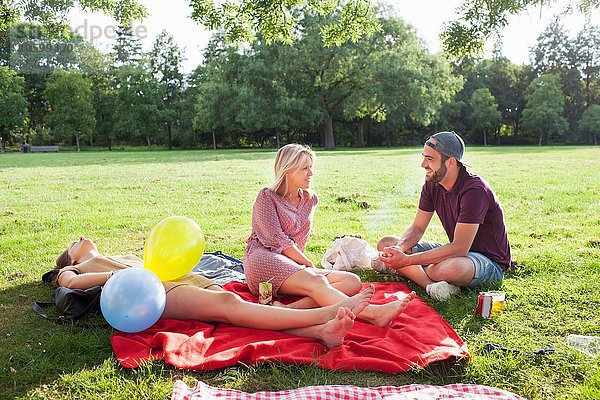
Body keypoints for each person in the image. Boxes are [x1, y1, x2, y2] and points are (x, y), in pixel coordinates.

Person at [52, 236, 376, 349]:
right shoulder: (79, 267)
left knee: (236, 315)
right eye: (73, 243)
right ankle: (322, 313)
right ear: (72, 257)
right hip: (150, 293)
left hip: (181, 279)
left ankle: (320, 331)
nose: (80, 237)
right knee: (229, 304)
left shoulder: (123, 254)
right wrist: (121, 274)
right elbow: (66, 283)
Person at [243, 144, 415, 326]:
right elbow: (277, 241)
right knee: (317, 281)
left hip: (292, 266)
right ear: (287, 170)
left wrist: (303, 267)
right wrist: (307, 264)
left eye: (311, 167)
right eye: (305, 168)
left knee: (351, 281)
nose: (311, 173)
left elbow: (300, 240)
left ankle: (287, 311)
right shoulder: (267, 197)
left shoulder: (309, 200)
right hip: (263, 259)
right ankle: (372, 314)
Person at [377, 131, 511, 301]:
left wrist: (406, 261)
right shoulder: (432, 184)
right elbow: (418, 227)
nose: (423, 164)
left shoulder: (475, 190)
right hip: (458, 253)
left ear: (450, 162)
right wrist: (400, 249)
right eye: (424, 157)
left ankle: (412, 271)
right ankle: (432, 286)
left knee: (449, 269)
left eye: (430, 159)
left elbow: (459, 247)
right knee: (386, 244)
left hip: (488, 262)